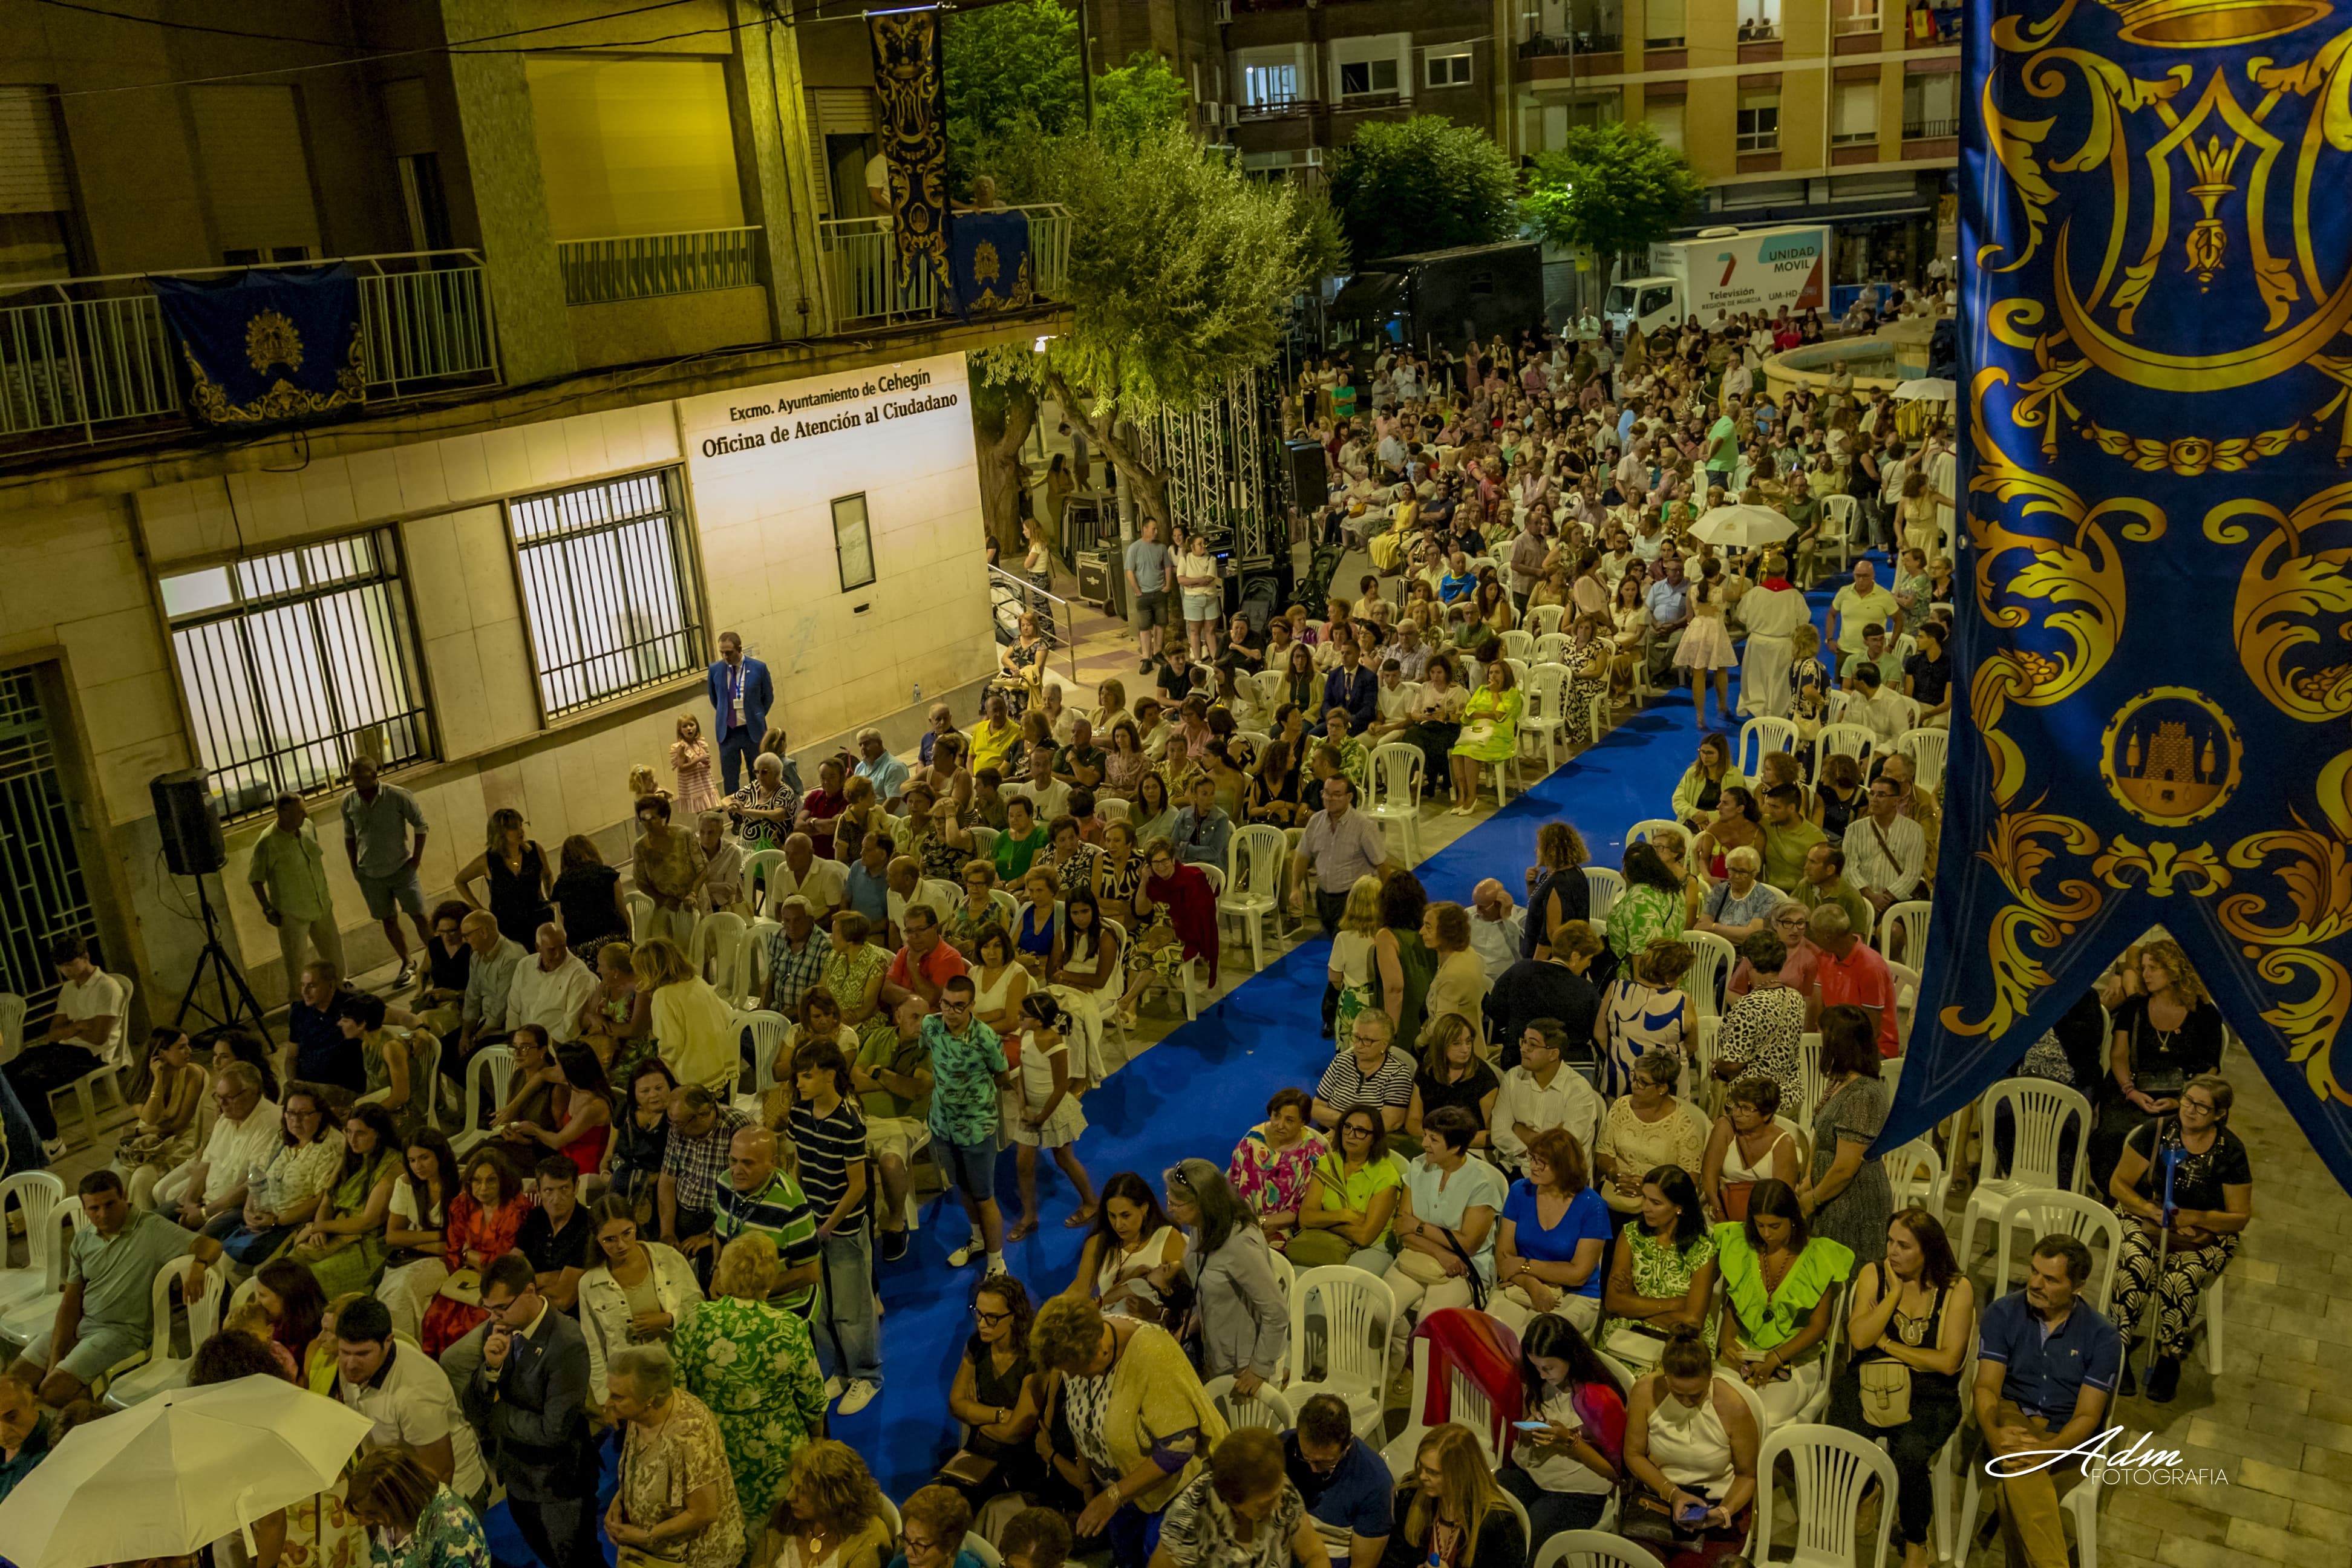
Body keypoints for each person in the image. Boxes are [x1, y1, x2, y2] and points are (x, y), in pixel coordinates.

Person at [1028, 1292, 1226, 1568]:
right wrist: (1089, 1485)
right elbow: (1082, 1420)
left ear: (1102, 1350)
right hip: (1123, 1499)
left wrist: (1113, 1497)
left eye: (1077, 1371)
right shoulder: (1076, 1352)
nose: (1072, 1378)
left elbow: (1177, 1450)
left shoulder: (1152, 1354)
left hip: (1173, 1498)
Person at [1825, 1209, 1976, 1568]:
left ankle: (1915, 1539)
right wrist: (1893, 1294)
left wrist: (1890, 1346)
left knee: (1908, 1455)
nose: (1892, 1251)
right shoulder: (1874, 1275)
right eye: (1890, 1242)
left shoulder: (1957, 1288)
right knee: (1843, 1437)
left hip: (1930, 1393)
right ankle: (1865, 1492)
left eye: (1904, 1246)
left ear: (1928, 1251)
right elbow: (1861, 1339)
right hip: (1871, 1379)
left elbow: (1948, 1362)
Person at [1974, 1235, 2122, 1568]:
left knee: (2011, 1490)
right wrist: (1992, 1432)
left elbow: (2087, 1415)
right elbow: (1986, 1387)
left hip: (2068, 1431)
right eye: (2034, 1271)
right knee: (2023, 1478)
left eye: (2051, 1279)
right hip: (2013, 1413)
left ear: (2078, 1286)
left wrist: (2049, 1452)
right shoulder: (2003, 1313)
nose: (2036, 1283)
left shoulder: (2102, 1337)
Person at [10, 1169, 215, 1408]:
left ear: (124, 1196)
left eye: (110, 1204)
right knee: (12, 1384)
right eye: (94, 1209)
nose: (103, 1214)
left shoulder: (151, 1228)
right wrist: (55, 1359)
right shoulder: (83, 1239)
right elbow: (70, 1303)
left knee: (52, 1392)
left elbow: (210, 1245)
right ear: (84, 1209)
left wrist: (199, 1265)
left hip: (124, 1333)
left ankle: (86, 1426)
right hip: (85, 1325)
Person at [2106, 1074, 2252, 1402]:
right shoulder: (2156, 1132)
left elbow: (2240, 1217)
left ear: (2219, 1114)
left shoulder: (2231, 1151)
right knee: (2135, 1262)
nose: (2191, 1110)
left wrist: (2196, 1218)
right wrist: (2150, 1210)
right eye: (2188, 1101)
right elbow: (2119, 1185)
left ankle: (2170, 1357)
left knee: (2181, 1277)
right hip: (2149, 1216)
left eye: (2202, 1107)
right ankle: (2119, 1348)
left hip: (2205, 1231)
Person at [460, 1253, 598, 1568]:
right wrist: (490, 1371)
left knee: (576, 1561)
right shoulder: (500, 1329)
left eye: (501, 1308)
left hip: (557, 1487)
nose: (494, 1317)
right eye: (488, 1308)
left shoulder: (566, 1343)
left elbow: (554, 1430)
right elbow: (472, 1408)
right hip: (517, 1476)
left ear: (529, 1292)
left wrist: (497, 1414)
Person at [784, 1040, 884, 1409]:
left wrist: (828, 1225)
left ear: (829, 1075)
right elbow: (798, 1165)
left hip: (842, 1230)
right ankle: (841, 1371)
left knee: (853, 1308)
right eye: (799, 1076)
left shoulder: (849, 1123)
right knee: (822, 1309)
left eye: (808, 1076)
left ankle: (868, 1376)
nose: (800, 1083)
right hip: (811, 1224)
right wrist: (800, 1211)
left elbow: (858, 1185)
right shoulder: (799, 1114)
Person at [1713, 1178, 1854, 1425]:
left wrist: (1776, 1358)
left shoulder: (1818, 1256)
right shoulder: (1743, 1247)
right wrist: (1726, 1340)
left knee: (1764, 1417)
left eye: (1775, 1226)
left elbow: (1819, 1327)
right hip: (1747, 1351)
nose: (1766, 1234)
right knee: (1718, 1409)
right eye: (1760, 1225)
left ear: (1794, 1219)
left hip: (1794, 1358)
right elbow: (1736, 1301)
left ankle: (1757, 1464)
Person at [2091, 939, 2226, 1193]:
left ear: (2174, 971)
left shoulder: (2204, 1013)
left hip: (2183, 1092)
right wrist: (2131, 1091)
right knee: (2112, 1133)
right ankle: (2118, 1196)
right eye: (2143, 968)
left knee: (2175, 1134)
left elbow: (2211, 1068)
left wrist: (2181, 1100)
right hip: (2133, 1085)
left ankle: (2159, 1198)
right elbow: (2118, 1056)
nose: (2146, 974)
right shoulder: (2135, 1006)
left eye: (2154, 967)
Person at [1619, 1325, 1759, 1566]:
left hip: (1715, 1507)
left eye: (1696, 1395)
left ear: (1710, 1378)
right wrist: (1674, 1494)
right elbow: (1633, 1454)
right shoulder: (1645, 1391)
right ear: (1666, 1377)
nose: (1686, 1401)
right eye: (1677, 1393)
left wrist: (1724, 1512)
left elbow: (1748, 1475)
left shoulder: (1733, 1406)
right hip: (1660, 1500)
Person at [328, 1296, 488, 1504]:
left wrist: (415, 1523)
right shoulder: (357, 1368)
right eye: (345, 1352)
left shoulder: (416, 1394)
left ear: (388, 1342)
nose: (350, 1364)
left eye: (362, 1354)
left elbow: (442, 1472)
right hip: (400, 1481)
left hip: (449, 1492)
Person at [603, 1341, 746, 1568]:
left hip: (693, 1559)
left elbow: (704, 1512)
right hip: (650, 1554)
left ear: (649, 1399)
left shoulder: (690, 1433)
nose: (608, 1403)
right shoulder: (641, 1414)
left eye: (618, 1397)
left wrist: (645, 1536)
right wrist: (620, 1500)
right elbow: (643, 1467)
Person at [1166, 1158, 1289, 1393]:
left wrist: (1259, 1369)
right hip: (1216, 1351)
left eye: (1176, 1203)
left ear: (1202, 1203)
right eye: (1169, 1200)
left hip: (1243, 1366)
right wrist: (1191, 1326)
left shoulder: (1240, 1244)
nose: (1170, 1208)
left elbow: (1277, 1312)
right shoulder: (1200, 1227)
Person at [1383, 1105, 1508, 1338]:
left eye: (1433, 1139)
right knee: (1379, 1309)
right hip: (1420, 1255)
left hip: (1464, 1266)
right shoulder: (1418, 1166)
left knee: (1430, 1323)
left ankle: (1424, 1371)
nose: (1424, 1144)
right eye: (1425, 1136)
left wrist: (1419, 1226)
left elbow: (1467, 1245)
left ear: (1456, 1147)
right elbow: (1402, 1227)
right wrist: (1439, 1252)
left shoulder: (1483, 1181)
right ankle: (1397, 1360)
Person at [1497, 1314, 1624, 1540]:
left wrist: (1568, 1440)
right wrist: (1530, 1425)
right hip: (1534, 1473)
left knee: (1533, 1529)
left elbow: (1614, 1471)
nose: (1541, 1375)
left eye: (1548, 1368)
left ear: (1570, 1357)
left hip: (1578, 1490)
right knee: (1490, 1501)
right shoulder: (1540, 1382)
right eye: (1536, 1367)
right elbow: (1524, 1440)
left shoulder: (1598, 1399)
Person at [4, 934, 125, 1155]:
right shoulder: (69, 989)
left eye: (70, 964)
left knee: (28, 1080)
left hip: (92, 1055)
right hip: (65, 1048)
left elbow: (99, 1037)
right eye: (61, 966)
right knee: (6, 1072)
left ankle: (52, 1141)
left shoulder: (107, 987)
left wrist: (72, 1028)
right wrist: (81, 1026)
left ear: (85, 957)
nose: (66, 971)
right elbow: (53, 1034)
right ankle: (19, 1135)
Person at [580, 1192, 703, 1406]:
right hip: (628, 1388)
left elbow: (698, 1310)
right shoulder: (590, 1284)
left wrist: (668, 1319)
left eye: (627, 1233)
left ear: (636, 1225)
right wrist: (606, 1399)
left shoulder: (668, 1257)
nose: (622, 1245)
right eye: (610, 1240)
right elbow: (594, 1347)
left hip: (674, 1376)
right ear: (596, 1238)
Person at [205, 1082, 345, 1267]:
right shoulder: (283, 1138)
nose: (296, 1120)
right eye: (291, 1113)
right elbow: (257, 1174)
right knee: (207, 1240)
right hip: (261, 1213)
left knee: (235, 1266)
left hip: (291, 1224)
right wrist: (249, 1209)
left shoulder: (331, 1145)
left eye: (304, 1114)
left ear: (320, 1115)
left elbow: (320, 1199)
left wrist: (276, 1220)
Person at [1490, 1128, 1612, 1336]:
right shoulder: (1520, 1191)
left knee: (1531, 1339)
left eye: (1541, 1163)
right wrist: (1532, 1284)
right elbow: (1504, 1260)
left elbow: (1577, 1275)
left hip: (1576, 1294)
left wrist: (1525, 1264)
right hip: (1521, 1283)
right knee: (1489, 1335)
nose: (1533, 1167)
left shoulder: (1593, 1206)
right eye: (1533, 1159)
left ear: (1564, 1167)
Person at [1152, 1426, 1328, 1568]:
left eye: (1278, 1493)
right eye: (1264, 1504)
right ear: (1232, 1502)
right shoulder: (1189, 1519)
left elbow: (1315, 1555)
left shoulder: (1279, 1488)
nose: (1278, 1505)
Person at [944, 1274, 1047, 1509]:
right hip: (978, 1451)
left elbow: (1015, 1434)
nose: (981, 1323)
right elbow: (955, 1404)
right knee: (943, 1497)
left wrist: (975, 1415)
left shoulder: (1032, 1358)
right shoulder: (976, 1345)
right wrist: (1000, 1415)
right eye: (978, 1313)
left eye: (992, 1318)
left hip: (1020, 1464)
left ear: (1014, 1317)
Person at [1802, 1005, 1894, 1263]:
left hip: (1854, 1206)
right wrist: (1809, 1178)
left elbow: (1846, 1167)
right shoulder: (1840, 1081)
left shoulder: (1863, 1095)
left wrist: (1813, 1199)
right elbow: (1820, 1133)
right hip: (1828, 1195)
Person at [420, 1149, 530, 1353]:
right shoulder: (461, 1205)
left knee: (469, 1327)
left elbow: (504, 1263)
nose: (483, 1188)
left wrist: (470, 1255)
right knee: (435, 1317)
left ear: (503, 1180)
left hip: (500, 1284)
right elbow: (454, 1249)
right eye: (476, 1181)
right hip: (466, 1278)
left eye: (491, 1181)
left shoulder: (516, 1208)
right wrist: (467, 1257)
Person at [155, 1060, 279, 1231]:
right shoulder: (226, 1119)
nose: (222, 1104)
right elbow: (204, 1164)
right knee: (153, 1222)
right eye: (218, 1097)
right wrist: (191, 1202)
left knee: (193, 1245)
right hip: (204, 1202)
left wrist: (205, 1214)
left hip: (231, 1209)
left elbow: (250, 1187)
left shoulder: (270, 1124)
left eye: (229, 1097)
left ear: (252, 1093)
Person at [1379, 1423, 1526, 1568]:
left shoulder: (1498, 1523)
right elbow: (1392, 1558)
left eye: (1433, 1472)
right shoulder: (1411, 1495)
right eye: (1422, 1466)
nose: (1422, 1476)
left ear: (1460, 1475)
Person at [342, 756, 433, 988]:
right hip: (370, 874)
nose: (356, 783)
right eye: (353, 778)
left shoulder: (397, 796)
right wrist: (355, 867)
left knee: (419, 915)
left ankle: (437, 959)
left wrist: (417, 859)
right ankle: (407, 962)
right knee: (388, 919)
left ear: (374, 775)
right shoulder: (349, 802)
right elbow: (350, 837)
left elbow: (421, 825)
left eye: (361, 777)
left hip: (402, 867)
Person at [248, 792, 347, 1001]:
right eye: (300, 811)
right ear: (283, 812)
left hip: (321, 905)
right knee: (297, 966)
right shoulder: (267, 842)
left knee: (335, 959)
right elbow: (256, 879)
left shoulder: (308, 826)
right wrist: (267, 909)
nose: (305, 814)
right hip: (292, 913)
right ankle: (300, 1006)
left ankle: (339, 995)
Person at [109, 1028, 210, 1210]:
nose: (189, 1052)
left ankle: (147, 1227)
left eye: (188, 1045)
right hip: (150, 1133)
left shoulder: (193, 1074)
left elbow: (180, 1124)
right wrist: (158, 1080)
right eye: (181, 1048)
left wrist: (141, 1132)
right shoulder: (142, 1078)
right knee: (117, 1177)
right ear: (162, 1053)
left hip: (181, 1137)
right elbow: (149, 1117)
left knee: (141, 1179)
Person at [345, 1446, 492, 1568]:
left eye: (372, 1514)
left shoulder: (452, 1533)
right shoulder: (397, 1515)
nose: (366, 1522)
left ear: (398, 1500)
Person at [758, 1439, 894, 1568]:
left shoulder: (869, 1539)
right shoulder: (786, 1514)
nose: (790, 1497)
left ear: (833, 1498)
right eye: (792, 1485)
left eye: (803, 1492)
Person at [1227, 1087, 1328, 1255]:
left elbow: (1302, 1209)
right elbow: (1233, 1183)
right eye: (1276, 1116)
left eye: (1290, 1120)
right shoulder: (1253, 1138)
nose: (1280, 1125)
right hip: (1242, 1220)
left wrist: (1262, 1223)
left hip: (1283, 1229)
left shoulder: (1313, 1155)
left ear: (1303, 1122)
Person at [1712, 932, 1803, 1103]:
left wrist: (1717, 1069)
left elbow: (1733, 1065)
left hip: (1754, 1100)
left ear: (1749, 963)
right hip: (1789, 1096)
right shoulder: (1796, 998)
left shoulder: (1749, 1005)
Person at [1699, 1077, 1801, 1224]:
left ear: (1766, 1115)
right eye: (1736, 1105)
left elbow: (1782, 1195)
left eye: (1746, 1109)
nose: (1737, 1113)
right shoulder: (1726, 1126)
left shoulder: (1784, 1143)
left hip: (1765, 1215)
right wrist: (1719, 1212)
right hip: (1720, 1206)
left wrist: (1758, 1225)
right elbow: (1709, 1177)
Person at [1599, 943, 1694, 1100]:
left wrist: (1621, 1058)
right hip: (1665, 1089)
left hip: (1618, 1083)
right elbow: (1692, 1046)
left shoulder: (1616, 988)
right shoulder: (1682, 1001)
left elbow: (1600, 1034)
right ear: (1672, 975)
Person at [1841, 774, 1926, 918]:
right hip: (1861, 897)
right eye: (1872, 793)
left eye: (1881, 795)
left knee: (1892, 932)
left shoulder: (1914, 830)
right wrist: (1870, 896)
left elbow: (1913, 873)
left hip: (1897, 901)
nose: (1874, 799)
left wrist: (1885, 898)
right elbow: (1849, 868)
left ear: (1896, 801)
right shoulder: (1855, 829)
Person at [1447, 658, 1522, 815]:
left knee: (1470, 752)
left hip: (1498, 736)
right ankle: (1463, 794)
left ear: (1505, 675)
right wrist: (1489, 714)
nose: (1493, 676)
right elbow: (1469, 712)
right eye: (1491, 672)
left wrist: (1495, 694)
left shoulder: (1512, 694)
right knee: (1458, 751)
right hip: (1476, 731)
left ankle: (1472, 796)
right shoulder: (1482, 690)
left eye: (1497, 673)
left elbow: (1500, 715)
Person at [708, 630, 775, 796]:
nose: (725, 657)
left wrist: (757, 715)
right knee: (730, 778)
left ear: (739, 649)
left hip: (752, 730)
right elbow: (715, 699)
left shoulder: (758, 668)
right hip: (728, 733)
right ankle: (737, 816)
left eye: (729, 652)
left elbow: (768, 697)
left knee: (759, 773)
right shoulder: (715, 670)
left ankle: (760, 807)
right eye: (722, 652)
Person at [1128, 516, 1175, 671]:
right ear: (1145, 529)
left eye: (1157, 529)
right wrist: (1137, 591)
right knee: (1144, 627)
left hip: (1159, 591)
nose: (1156, 532)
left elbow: (1167, 567)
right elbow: (1130, 571)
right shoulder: (1134, 548)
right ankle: (1146, 657)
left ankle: (1157, 652)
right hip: (1144, 594)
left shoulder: (1161, 547)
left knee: (1160, 624)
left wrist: (1168, 585)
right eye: (1153, 529)